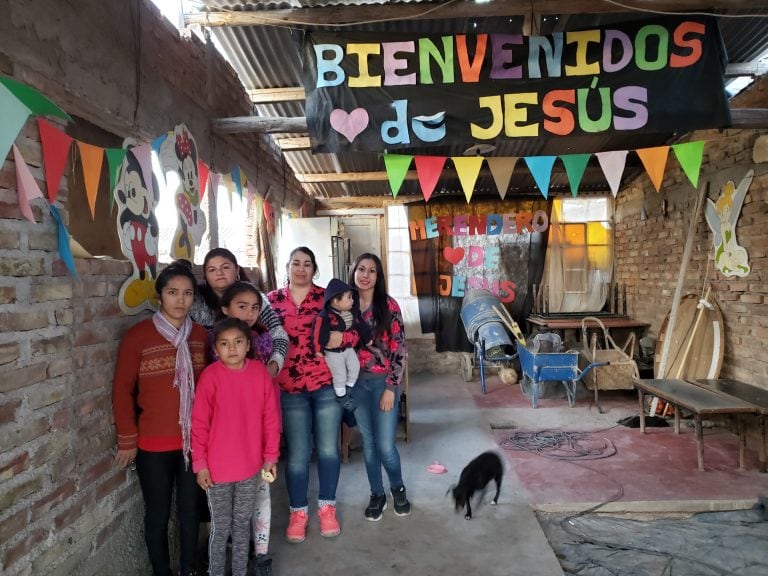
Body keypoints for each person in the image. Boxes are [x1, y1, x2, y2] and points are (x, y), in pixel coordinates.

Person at [112, 262, 208, 576]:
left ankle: (190, 569)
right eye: (172, 293)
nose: (180, 300)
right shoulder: (137, 336)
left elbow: (209, 389)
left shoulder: (200, 336)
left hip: (193, 443)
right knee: (157, 513)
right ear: (160, 297)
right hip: (153, 444)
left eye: (187, 293)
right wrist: (127, 438)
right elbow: (122, 388)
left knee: (191, 511)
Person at [267, 247, 354, 543]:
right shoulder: (272, 300)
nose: (301, 269)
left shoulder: (327, 298)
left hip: (326, 384)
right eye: (295, 263)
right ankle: (298, 513)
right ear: (287, 266)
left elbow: (355, 330)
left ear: (315, 269)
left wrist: (343, 337)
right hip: (289, 389)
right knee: (298, 456)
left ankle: (327, 508)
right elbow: (255, 336)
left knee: (328, 450)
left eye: (307, 264)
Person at [192, 318, 280, 576]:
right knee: (221, 527)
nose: (232, 349)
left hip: (250, 467)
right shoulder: (210, 377)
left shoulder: (259, 373)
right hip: (217, 471)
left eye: (238, 342)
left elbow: (270, 419)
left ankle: (240, 572)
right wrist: (200, 464)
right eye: (224, 343)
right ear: (215, 349)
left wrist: (270, 457)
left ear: (248, 345)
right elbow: (199, 424)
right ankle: (216, 572)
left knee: (242, 525)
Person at [219, 281, 278, 576]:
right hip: (226, 443)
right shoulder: (216, 344)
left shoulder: (263, 341)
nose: (250, 313)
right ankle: (232, 549)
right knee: (231, 503)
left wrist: (271, 445)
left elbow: (267, 404)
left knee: (260, 494)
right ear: (225, 309)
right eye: (242, 306)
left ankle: (262, 555)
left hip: (258, 437)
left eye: (255, 308)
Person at [348, 253, 411, 521]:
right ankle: (377, 493)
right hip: (357, 384)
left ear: (378, 276)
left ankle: (397, 488)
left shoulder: (388, 305)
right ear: (354, 272)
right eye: (361, 269)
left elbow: (400, 348)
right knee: (370, 444)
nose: (365, 275)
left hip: (383, 383)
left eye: (371, 271)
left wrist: (390, 388)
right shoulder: (345, 305)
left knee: (385, 445)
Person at [190, 247, 287, 378]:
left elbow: (279, 335)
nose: (219, 273)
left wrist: (274, 366)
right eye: (212, 270)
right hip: (209, 378)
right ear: (205, 276)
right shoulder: (194, 302)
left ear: (237, 270)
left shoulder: (254, 297)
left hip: (253, 378)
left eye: (225, 267)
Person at [312, 278, 372, 402]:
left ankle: (348, 389)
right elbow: (318, 332)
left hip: (348, 349)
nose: (353, 300)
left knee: (355, 367)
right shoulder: (325, 316)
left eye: (352, 297)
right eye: (349, 297)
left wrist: (367, 337)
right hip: (333, 353)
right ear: (336, 301)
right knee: (339, 374)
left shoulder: (353, 313)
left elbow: (362, 325)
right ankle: (342, 397)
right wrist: (318, 349)